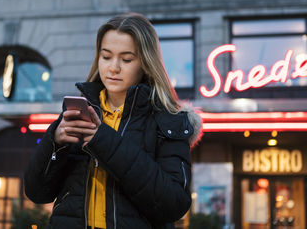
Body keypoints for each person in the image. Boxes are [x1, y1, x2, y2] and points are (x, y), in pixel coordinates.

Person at [24, 12, 202, 229]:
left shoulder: (168, 121)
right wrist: (55, 143)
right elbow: (37, 192)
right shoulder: (79, 113)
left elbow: (173, 204)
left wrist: (103, 140)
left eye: (126, 59)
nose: (113, 67)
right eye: (106, 56)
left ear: (145, 62)